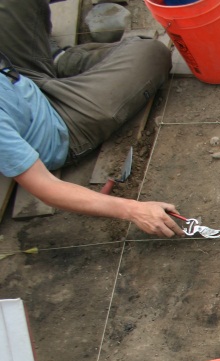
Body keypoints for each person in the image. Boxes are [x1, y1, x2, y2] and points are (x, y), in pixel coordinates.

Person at [0, 0, 184, 237]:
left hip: (17, 78)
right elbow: (46, 187)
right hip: (60, 121)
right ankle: (59, 63)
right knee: (151, 53)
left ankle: (53, 60)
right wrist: (134, 209)